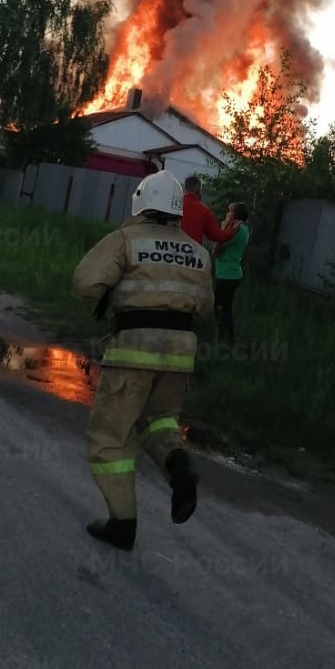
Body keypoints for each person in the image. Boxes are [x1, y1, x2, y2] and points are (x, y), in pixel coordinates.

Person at [71, 170, 214, 552]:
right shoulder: (198, 252)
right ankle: (179, 468)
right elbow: (205, 306)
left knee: (109, 437)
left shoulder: (126, 239)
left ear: (140, 202)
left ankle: (122, 523)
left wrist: (113, 294)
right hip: (180, 354)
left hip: (134, 349)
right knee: (157, 420)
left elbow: (85, 282)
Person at [213, 202, 250, 347]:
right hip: (233, 273)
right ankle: (230, 338)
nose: (227, 213)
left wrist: (224, 226)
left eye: (230, 211)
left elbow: (216, 250)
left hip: (226, 275)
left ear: (234, 215)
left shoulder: (236, 230)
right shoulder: (244, 229)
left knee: (219, 307)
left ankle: (224, 339)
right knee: (227, 307)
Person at [181, 175, 240, 247]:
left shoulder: (173, 204)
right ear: (199, 191)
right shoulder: (204, 210)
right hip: (192, 255)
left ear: (184, 189)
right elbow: (218, 236)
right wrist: (233, 230)